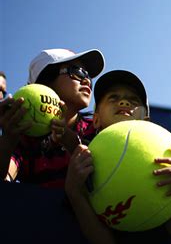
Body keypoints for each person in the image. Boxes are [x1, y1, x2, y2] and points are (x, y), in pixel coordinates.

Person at [65, 70, 171, 244]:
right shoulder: (84, 157)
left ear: (145, 119)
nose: (124, 102)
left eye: (133, 100)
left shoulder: (166, 146)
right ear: (96, 119)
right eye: (113, 98)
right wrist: (74, 192)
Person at [0, 48, 104, 186]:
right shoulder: (25, 141)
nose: (87, 80)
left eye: (88, 75)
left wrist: (72, 143)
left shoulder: (98, 128)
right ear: (44, 84)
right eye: (77, 71)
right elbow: (5, 181)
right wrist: (7, 141)